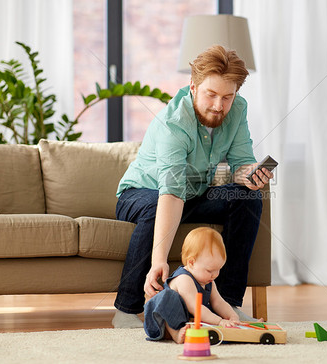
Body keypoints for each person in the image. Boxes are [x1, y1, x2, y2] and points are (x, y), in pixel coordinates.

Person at [113, 45, 274, 328]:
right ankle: (125, 310)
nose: (218, 106)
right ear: (193, 86)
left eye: (227, 96)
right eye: (211, 95)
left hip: (194, 193)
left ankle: (230, 305)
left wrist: (250, 174)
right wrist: (159, 261)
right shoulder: (173, 123)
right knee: (154, 204)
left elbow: (241, 161)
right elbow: (172, 193)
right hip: (141, 193)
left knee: (247, 197)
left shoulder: (237, 110)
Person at [144, 227, 242, 343]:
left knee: (212, 310)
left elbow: (218, 302)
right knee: (168, 297)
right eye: (210, 271)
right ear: (191, 262)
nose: (215, 275)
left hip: (189, 319)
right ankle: (176, 334)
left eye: (218, 269)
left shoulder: (209, 280)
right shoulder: (184, 279)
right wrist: (219, 321)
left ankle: (226, 324)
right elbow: (195, 308)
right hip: (160, 322)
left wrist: (232, 316)